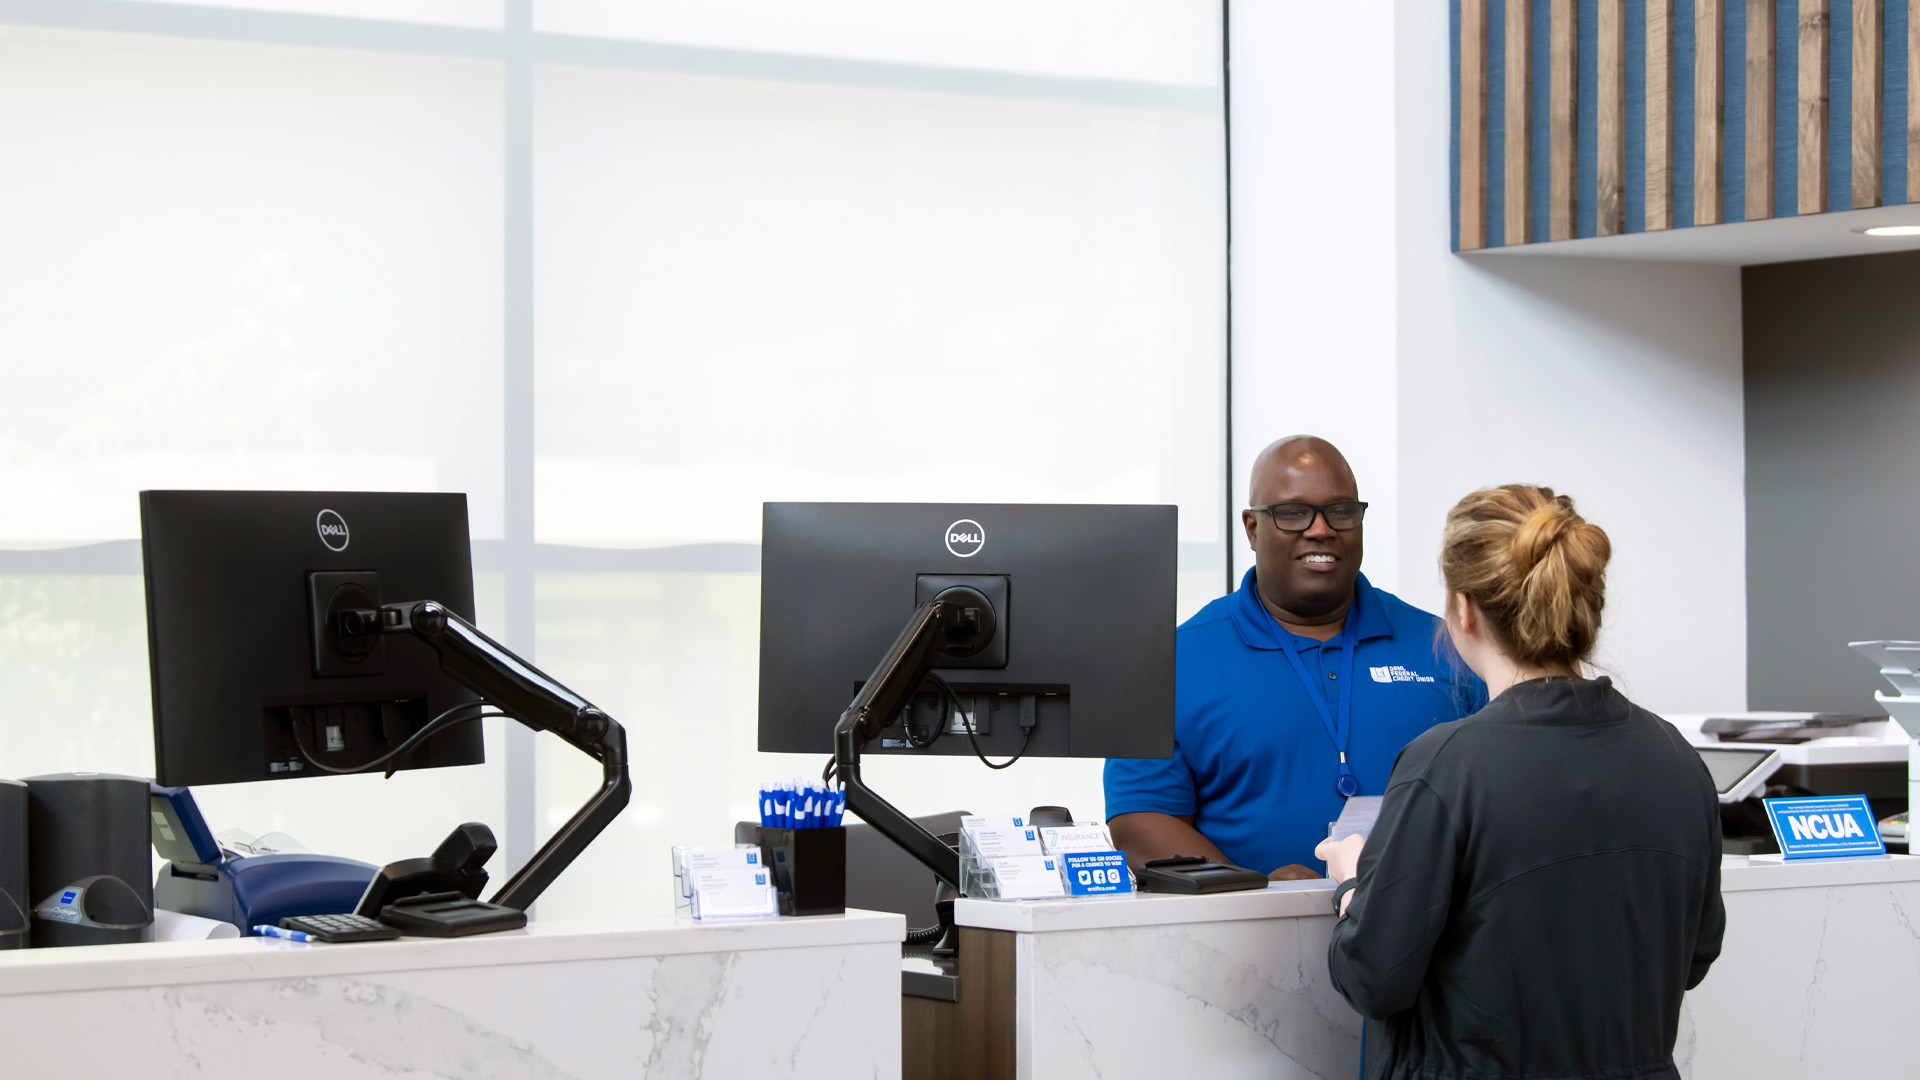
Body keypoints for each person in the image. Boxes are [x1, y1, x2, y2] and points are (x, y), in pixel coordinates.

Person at [1317, 485, 1725, 1080]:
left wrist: (1355, 887)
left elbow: (1375, 977)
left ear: (1463, 609)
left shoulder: (1447, 766)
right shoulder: (1677, 759)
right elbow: (1694, 956)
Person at [1104, 436, 1486, 879]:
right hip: (1245, 939)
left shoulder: (1445, 645)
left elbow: (1496, 793)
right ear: (1251, 528)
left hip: (1430, 931)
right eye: (1293, 513)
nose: (1321, 529)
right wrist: (1258, 893)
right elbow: (1141, 820)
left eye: (1341, 511)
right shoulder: (1170, 661)